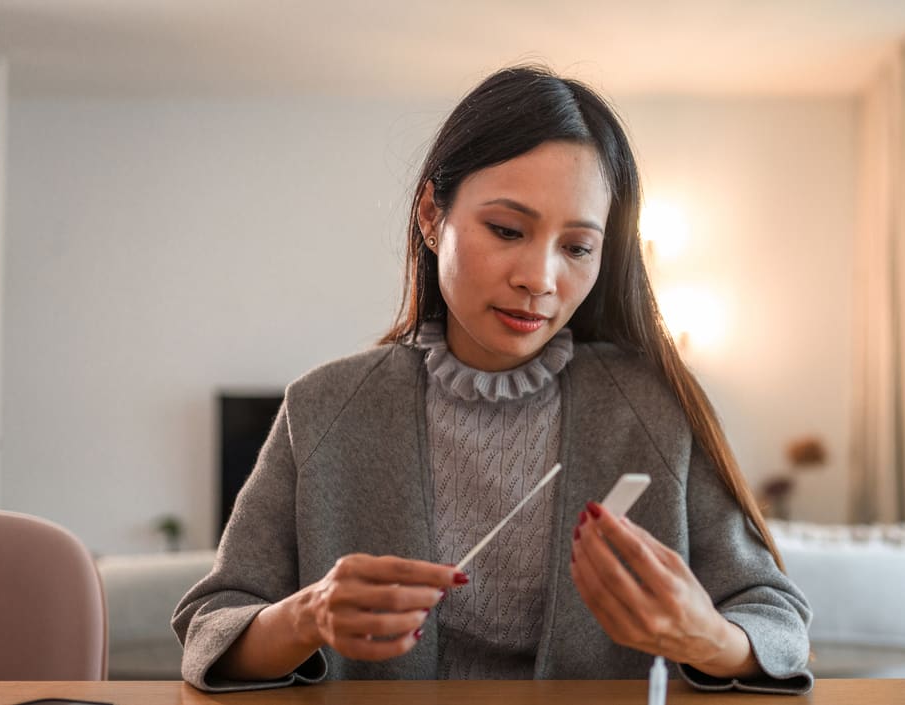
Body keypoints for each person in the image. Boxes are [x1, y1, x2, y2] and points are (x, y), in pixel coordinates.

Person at [173, 64, 813, 694]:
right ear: (431, 215)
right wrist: (306, 616)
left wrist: (708, 638)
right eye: (507, 230)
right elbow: (211, 627)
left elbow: (774, 617)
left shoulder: (653, 407)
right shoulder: (324, 408)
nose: (539, 277)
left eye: (577, 247)